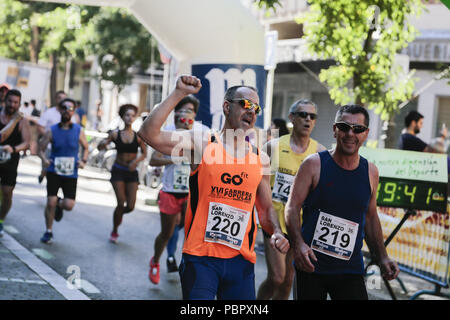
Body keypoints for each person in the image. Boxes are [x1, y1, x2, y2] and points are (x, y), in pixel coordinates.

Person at [138, 75, 289, 300]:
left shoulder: (261, 159)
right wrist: (178, 94)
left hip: (241, 261)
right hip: (201, 258)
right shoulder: (202, 143)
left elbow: (265, 209)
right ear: (227, 107)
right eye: (246, 104)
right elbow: (149, 134)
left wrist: (276, 231)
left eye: (256, 108)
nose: (251, 111)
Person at [285, 104, 400, 300]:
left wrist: (382, 257)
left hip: (350, 269)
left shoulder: (371, 172)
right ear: (334, 129)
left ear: (366, 134)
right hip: (311, 265)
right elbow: (292, 207)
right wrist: (298, 245)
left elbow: (371, 217)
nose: (350, 134)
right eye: (344, 127)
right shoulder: (313, 164)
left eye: (358, 129)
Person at [257, 99, 326, 300]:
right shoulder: (274, 147)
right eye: (302, 115)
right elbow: (261, 186)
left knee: (288, 280)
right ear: (291, 118)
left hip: (300, 226)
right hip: (274, 221)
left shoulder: (320, 153)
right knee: (277, 277)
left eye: (312, 116)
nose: (307, 119)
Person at [161, 95, 208, 273]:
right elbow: (155, 158)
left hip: (193, 187)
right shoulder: (168, 130)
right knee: (171, 227)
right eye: (182, 110)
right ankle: (170, 256)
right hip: (171, 186)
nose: (186, 114)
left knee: (189, 226)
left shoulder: (203, 131)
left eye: (190, 110)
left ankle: (188, 261)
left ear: (195, 113)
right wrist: (175, 158)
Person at [148, 109, 195, 283]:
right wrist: (173, 159)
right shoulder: (169, 139)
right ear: (176, 120)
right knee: (166, 233)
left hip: (188, 193)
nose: (185, 122)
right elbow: (153, 160)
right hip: (169, 191)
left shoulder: (196, 141)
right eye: (182, 118)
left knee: (190, 232)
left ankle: (187, 266)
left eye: (189, 120)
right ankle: (155, 261)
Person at [38, 98, 89, 244]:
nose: (67, 111)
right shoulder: (52, 130)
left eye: (70, 108)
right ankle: (48, 231)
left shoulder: (79, 130)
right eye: (65, 108)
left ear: (73, 112)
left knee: (69, 205)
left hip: (70, 172)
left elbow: (85, 147)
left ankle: (59, 204)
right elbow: (40, 149)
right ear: (60, 110)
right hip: (54, 170)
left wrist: (84, 161)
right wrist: (45, 160)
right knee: (50, 201)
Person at [97, 104, 147, 243]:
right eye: (127, 115)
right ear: (122, 117)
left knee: (130, 206)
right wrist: (102, 144)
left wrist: (135, 162)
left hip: (131, 172)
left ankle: (117, 215)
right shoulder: (115, 134)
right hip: (118, 170)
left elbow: (144, 153)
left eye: (132, 115)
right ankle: (115, 229)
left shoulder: (138, 136)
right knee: (121, 202)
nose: (130, 118)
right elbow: (102, 145)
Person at [0, 89, 31, 237]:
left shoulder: (22, 121)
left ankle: (0, 220)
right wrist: (13, 121)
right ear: (5, 101)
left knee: (7, 193)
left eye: (16, 103)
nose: (12, 105)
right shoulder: (4, 116)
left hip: (10, 161)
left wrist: (13, 148)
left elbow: (26, 143)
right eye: (10, 101)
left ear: (19, 104)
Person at [37, 90, 68, 183]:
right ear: (55, 99)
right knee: (47, 167)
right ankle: (43, 173)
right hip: (49, 147)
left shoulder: (68, 114)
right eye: (59, 98)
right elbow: (40, 127)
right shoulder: (49, 112)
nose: (62, 100)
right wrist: (49, 138)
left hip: (62, 148)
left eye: (64, 98)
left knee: (58, 172)